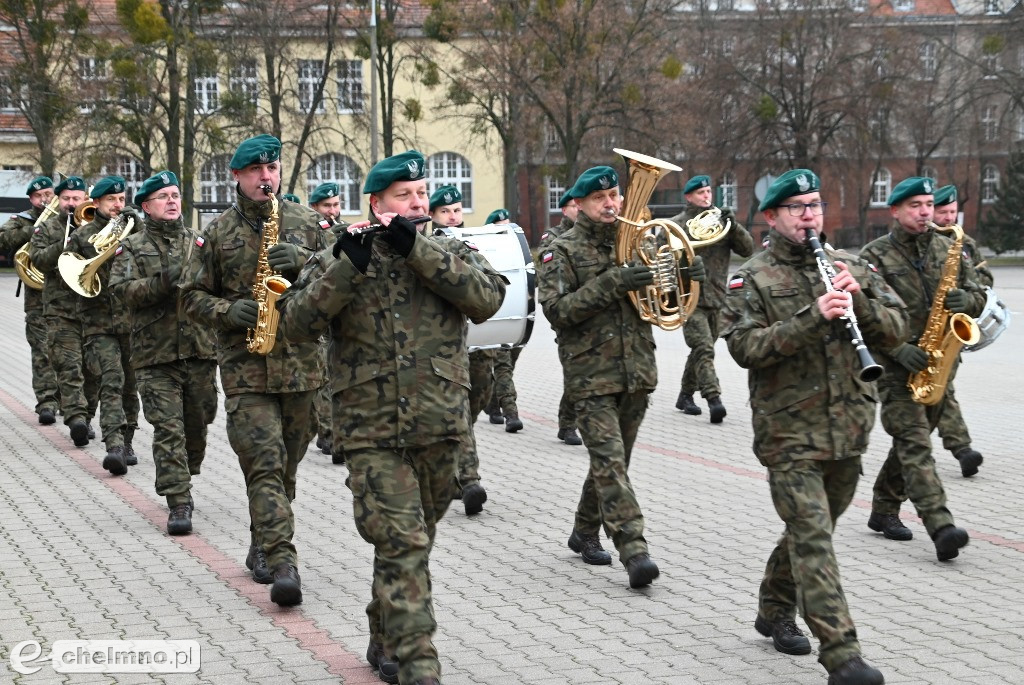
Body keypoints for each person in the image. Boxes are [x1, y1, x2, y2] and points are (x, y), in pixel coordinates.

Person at [278, 149, 506, 685]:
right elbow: (296, 324)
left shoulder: (449, 249)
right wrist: (346, 267)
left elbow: (488, 299)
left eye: (421, 194)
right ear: (376, 203)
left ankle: (384, 632)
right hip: (371, 431)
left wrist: (419, 250)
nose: (417, 202)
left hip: (440, 425)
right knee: (402, 542)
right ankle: (418, 664)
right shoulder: (344, 256)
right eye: (404, 196)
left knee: (412, 540)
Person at [722, 169, 904, 685]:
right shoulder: (751, 276)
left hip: (848, 427)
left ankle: (774, 605)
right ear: (773, 217)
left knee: (812, 531)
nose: (809, 215)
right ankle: (843, 656)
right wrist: (812, 316)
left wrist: (859, 302)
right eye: (797, 207)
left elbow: (898, 328)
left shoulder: (851, 265)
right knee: (814, 538)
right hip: (789, 434)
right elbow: (744, 348)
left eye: (815, 205)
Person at [538, 165, 704, 588]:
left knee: (614, 463)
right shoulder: (562, 250)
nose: (611, 204)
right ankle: (634, 549)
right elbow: (559, 312)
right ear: (580, 204)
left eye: (615, 195)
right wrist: (613, 281)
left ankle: (584, 530)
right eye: (600, 199)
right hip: (590, 374)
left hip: (637, 371)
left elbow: (662, 301)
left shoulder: (642, 242)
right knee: (611, 465)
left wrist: (685, 275)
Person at [181, 134, 326, 606]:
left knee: (286, 467)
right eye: (257, 171)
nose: (268, 177)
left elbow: (344, 281)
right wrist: (228, 312)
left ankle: (261, 538)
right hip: (247, 369)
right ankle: (283, 561)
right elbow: (189, 296)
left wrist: (306, 263)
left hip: (304, 367)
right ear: (238, 176)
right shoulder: (217, 233)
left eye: (273, 169)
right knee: (263, 464)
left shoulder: (309, 223)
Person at [860, 177, 983, 560]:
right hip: (894, 368)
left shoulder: (950, 248)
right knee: (915, 444)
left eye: (928, 204)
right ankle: (941, 526)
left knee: (910, 441)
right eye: (915, 205)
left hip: (939, 363)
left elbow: (980, 296)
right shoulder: (873, 256)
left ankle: (882, 509)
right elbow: (861, 317)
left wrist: (970, 299)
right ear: (894, 210)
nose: (926, 212)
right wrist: (896, 349)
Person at [109, 171, 218, 535]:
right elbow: (121, 290)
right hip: (155, 357)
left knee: (197, 427)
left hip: (199, 351)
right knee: (168, 429)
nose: (172, 201)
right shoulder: (133, 247)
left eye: (175, 195)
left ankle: (186, 472)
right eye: (162, 197)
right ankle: (178, 500)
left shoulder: (200, 244)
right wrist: (162, 282)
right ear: (146, 206)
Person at [65, 176, 141, 475]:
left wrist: (140, 227)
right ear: (96, 203)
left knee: (131, 387)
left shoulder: (133, 232)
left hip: (131, 320)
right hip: (98, 322)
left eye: (121, 200)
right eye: (112, 200)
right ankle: (115, 445)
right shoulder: (83, 237)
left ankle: (129, 439)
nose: (118, 205)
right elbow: (71, 276)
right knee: (112, 380)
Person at [428, 183, 493, 514]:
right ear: (432, 215)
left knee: (475, 403)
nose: (452, 217)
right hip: (445, 349)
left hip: (479, 346)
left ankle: (454, 470)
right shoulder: (430, 245)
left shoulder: (474, 243)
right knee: (459, 415)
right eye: (445, 212)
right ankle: (469, 480)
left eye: (457, 211)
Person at [670, 174, 754, 423]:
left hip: (718, 298)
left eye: (708, 191)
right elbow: (662, 259)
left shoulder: (722, 223)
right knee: (703, 348)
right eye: (700, 193)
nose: (706, 196)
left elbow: (747, 250)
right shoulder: (677, 225)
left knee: (700, 350)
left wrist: (735, 225)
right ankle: (714, 399)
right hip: (689, 298)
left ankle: (685, 395)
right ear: (689, 197)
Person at [29, 176, 99, 447]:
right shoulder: (46, 229)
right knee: (69, 368)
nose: (72, 204)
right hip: (59, 311)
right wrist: (66, 243)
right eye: (67, 199)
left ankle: (88, 416)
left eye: (77, 198)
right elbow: (40, 260)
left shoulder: (96, 227)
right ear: (59, 201)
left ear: (86, 200)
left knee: (92, 371)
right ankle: (76, 419)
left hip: (92, 310)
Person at [930, 185, 984, 478]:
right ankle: (961, 447)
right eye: (943, 212)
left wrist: (966, 297)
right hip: (920, 334)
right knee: (941, 392)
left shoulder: (965, 244)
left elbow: (982, 279)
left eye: (953, 212)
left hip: (950, 329)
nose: (949, 218)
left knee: (941, 391)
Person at [0, 175, 60, 425]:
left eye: (48, 194)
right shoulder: (21, 220)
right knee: (42, 350)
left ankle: (71, 401)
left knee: (70, 351)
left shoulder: (67, 217)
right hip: (37, 297)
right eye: (39, 196)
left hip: (68, 294)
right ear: (31, 199)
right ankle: (46, 401)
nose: (44, 199)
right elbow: (3, 241)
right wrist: (34, 230)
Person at [533, 188, 582, 446]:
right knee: (575, 370)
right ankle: (569, 423)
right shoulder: (553, 237)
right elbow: (546, 267)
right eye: (574, 206)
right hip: (566, 310)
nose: (579, 210)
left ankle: (569, 422)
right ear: (564, 210)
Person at [308, 181, 347, 462]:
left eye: (335, 205)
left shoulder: (345, 230)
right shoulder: (310, 231)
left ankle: (331, 431)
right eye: (326, 206)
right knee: (322, 376)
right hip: (316, 309)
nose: (332, 211)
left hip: (340, 311)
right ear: (315, 208)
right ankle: (330, 434)